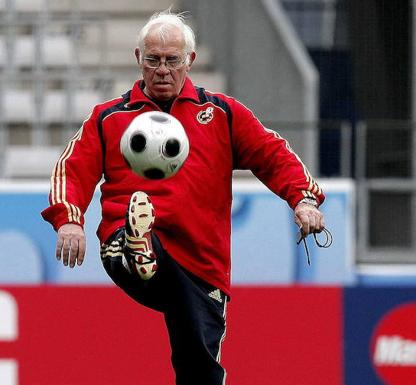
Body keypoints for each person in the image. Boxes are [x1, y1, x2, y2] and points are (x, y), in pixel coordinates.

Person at [41, 8, 326, 385]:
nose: (163, 70)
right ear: (138, 59)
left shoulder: (220, 113)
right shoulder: (109, 118)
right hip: (126, 242)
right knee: (137, 252)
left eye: (172, 60)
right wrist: (69, 220)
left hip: (201, 264)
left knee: (201, 369)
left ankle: (140, 249)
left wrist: (303, 198)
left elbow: (273, 154)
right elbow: (72, 168)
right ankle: (135, 242)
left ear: (189, 60)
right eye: (154, 60)